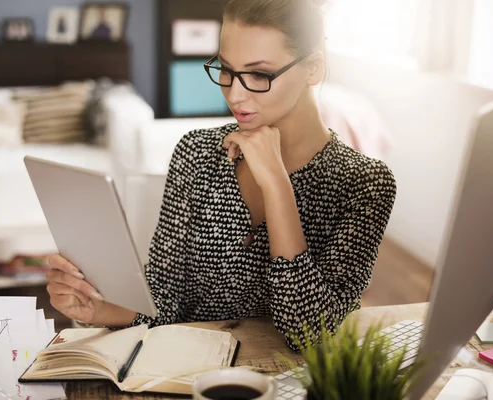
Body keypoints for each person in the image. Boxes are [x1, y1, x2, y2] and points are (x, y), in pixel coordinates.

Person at [46, 0, 397, 350]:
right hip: (187, 372)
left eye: (259, 75)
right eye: (226, 69)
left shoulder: (364, 184)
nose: (235, 93)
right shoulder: (197, 152)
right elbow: (166, 297)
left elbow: (310, 335)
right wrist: (99, 308)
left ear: (313, 68)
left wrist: (276, 185)